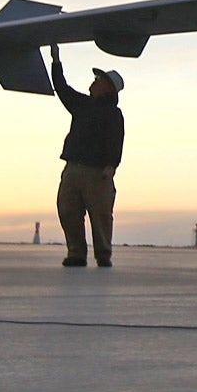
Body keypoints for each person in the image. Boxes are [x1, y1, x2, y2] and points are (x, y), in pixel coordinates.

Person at [49, 44, 125, 268]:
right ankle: (76, 253)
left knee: (100, 215)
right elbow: (61, 88)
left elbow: (116, 141)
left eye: (98, 79)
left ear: (108, 88)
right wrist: (56, 61)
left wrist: (111, 165)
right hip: (73, 168)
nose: (93, 81)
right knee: (67, 210)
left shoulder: (113, 114)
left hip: (98, 173)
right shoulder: (82, 105)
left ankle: (103, 255)